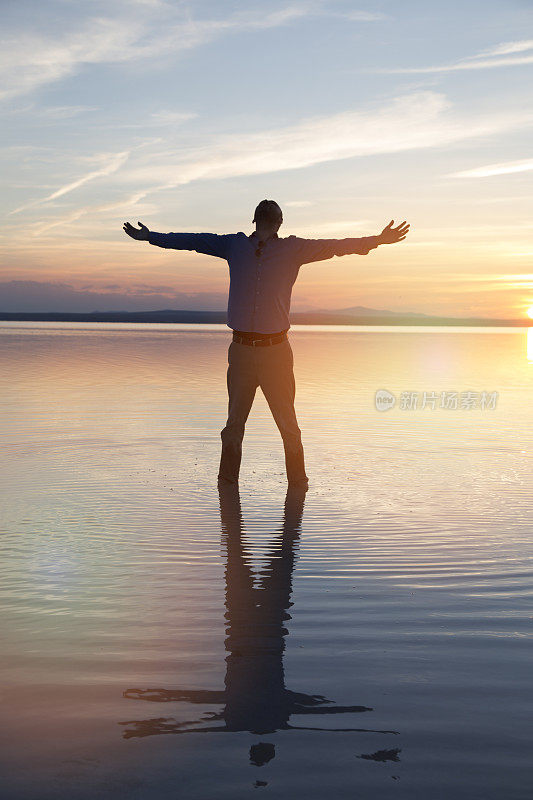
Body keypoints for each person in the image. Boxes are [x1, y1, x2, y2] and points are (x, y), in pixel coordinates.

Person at [123, 201, 410, 488]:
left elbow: (334, 246)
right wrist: (152, 237)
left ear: (258, 220)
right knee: (235, 426)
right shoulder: (235, 246)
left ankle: (297, 484)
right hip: (242, 353)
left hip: (276, 354)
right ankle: (228, 489)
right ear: (278, 222)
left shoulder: (291, 249)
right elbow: (195, 241)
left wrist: (376, 241)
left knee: (286, 425)